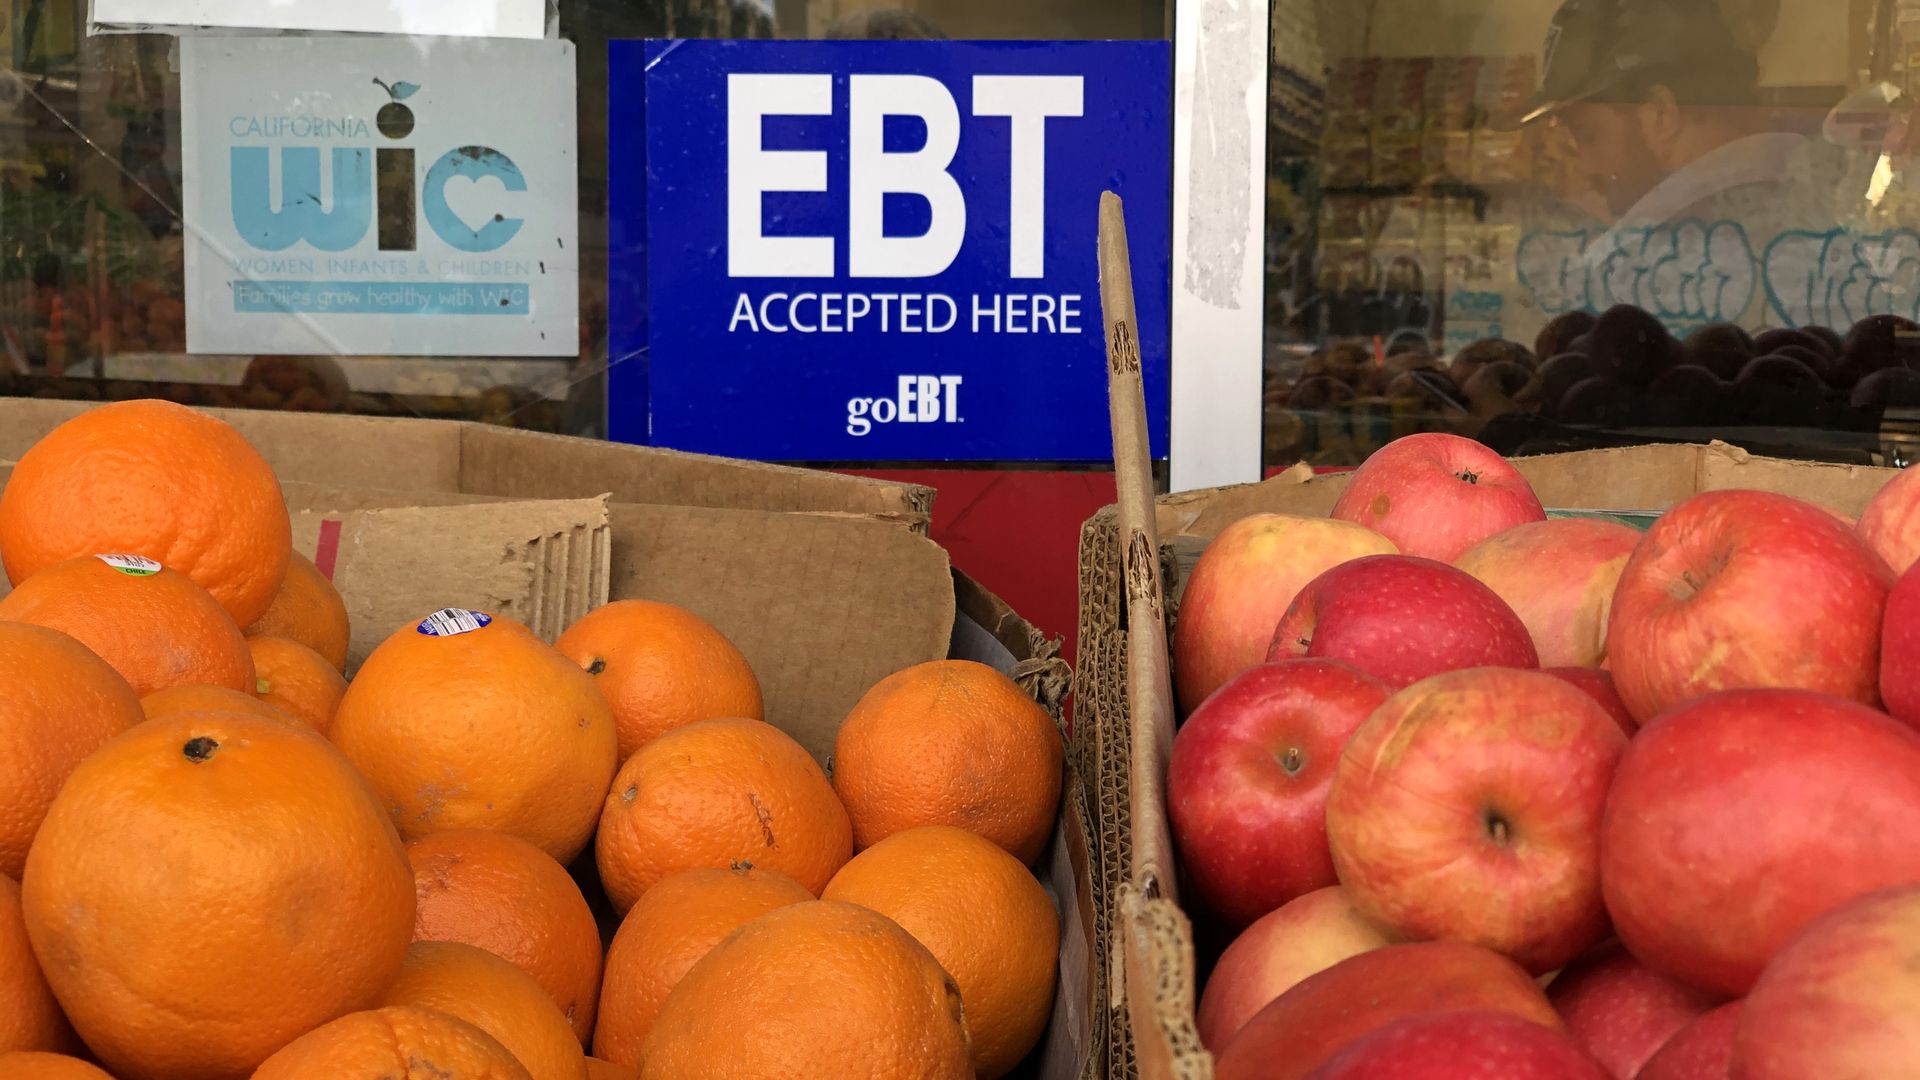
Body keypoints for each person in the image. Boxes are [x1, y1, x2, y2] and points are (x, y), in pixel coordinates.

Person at [1522, 0, 1835, 231]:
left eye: (1588, 135)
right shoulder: (1797, 184)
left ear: (1660, 112)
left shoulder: (1796, 215)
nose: (1586, 166)